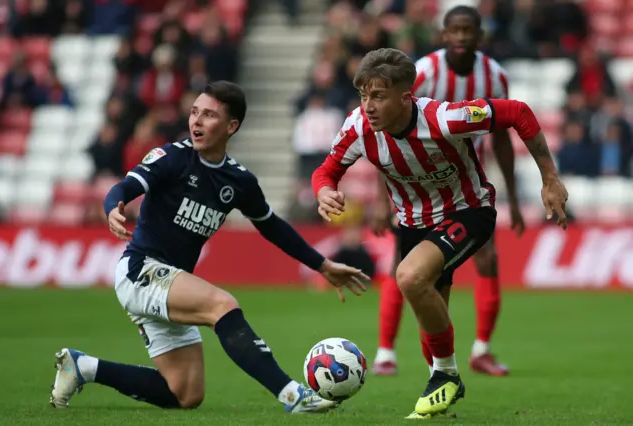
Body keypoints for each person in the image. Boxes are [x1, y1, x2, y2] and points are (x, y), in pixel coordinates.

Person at [50, 81, 369, 413]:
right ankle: (292, 396)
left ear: (231, 126)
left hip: (172, 282)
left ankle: (83, 367)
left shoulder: (239, 180)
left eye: (208, 115)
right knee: (222, 304)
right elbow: (124, 186)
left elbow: (272, 226)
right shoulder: (171, 158)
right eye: (194, 112)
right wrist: (113, 208)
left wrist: (322, 264)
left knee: (185, 394)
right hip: (140, 271)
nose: (197, 122)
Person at [311, 48, 568, 419]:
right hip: (414, 224)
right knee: (429, 334)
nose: (368, 106)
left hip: (469, 211)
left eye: (379, 96)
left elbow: (518, 112)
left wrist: (550, 178)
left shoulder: (445, 118)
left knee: (409, 277)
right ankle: (441, 379)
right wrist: (323, 191)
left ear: (405, 97)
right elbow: (326, 170)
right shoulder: (358, 127)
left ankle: (448, 374)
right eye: (364, 96)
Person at [370, 5, 525, 378]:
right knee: (403, 266)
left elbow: (502, 136)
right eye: (453, 31)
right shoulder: (424, 72)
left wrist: (515, 198)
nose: (460, 37)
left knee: (487, 260)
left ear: (478, 35)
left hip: (465, 187)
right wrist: (381, 199)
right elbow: (387, 129)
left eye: (467, 30)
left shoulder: (494, 75)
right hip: (415, 185)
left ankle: (482, 351)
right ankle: (385, 352)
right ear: (443, 34)